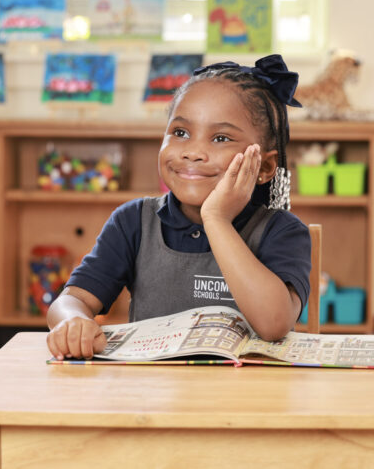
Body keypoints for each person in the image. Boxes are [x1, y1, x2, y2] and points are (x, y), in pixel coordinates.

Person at [46, 54, 311, 360]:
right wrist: (72, 320)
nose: (193, 152)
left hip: (243, 400)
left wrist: (217, 220)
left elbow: (274, 324)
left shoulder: (283, 232)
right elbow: (71, 299)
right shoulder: (133, 222)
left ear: (264, 166)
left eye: (220, 138)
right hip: (154, 398)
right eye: (180, 133)